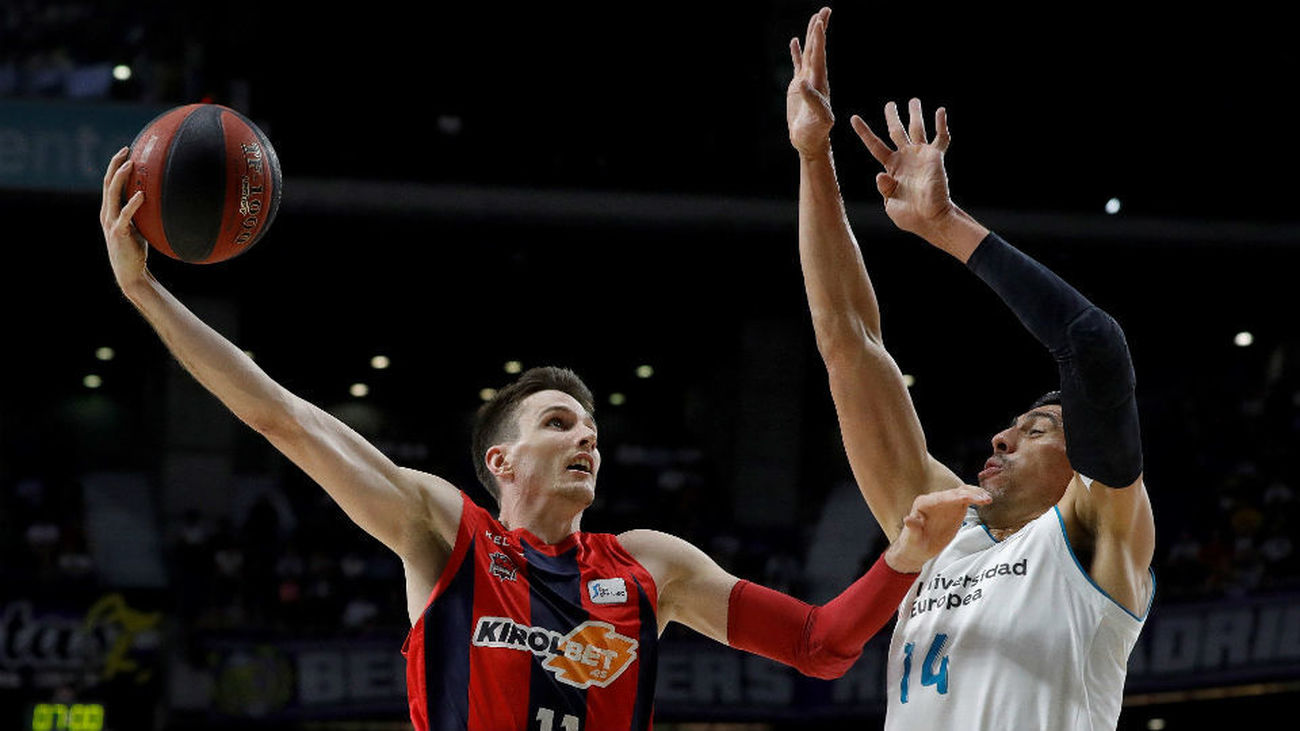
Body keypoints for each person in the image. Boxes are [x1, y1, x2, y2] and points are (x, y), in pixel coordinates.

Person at [99, 149, 990, 730]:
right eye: (559, 422)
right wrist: (145, 293)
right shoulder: (444, 531)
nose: (587, 437)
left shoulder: (651, 565)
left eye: (593, 427)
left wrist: (904, 557)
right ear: (501, 460)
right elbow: (279, 414)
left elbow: (820, 646)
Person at [786, 8, 1155, 729]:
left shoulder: (1095, 536)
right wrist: (812, 155)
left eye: (1039, 427)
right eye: (1010, 426)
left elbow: (1094, 345)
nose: (1001, 439)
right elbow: (850, 341)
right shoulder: (935, 528)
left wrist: (944, 225)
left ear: (1083, 467)